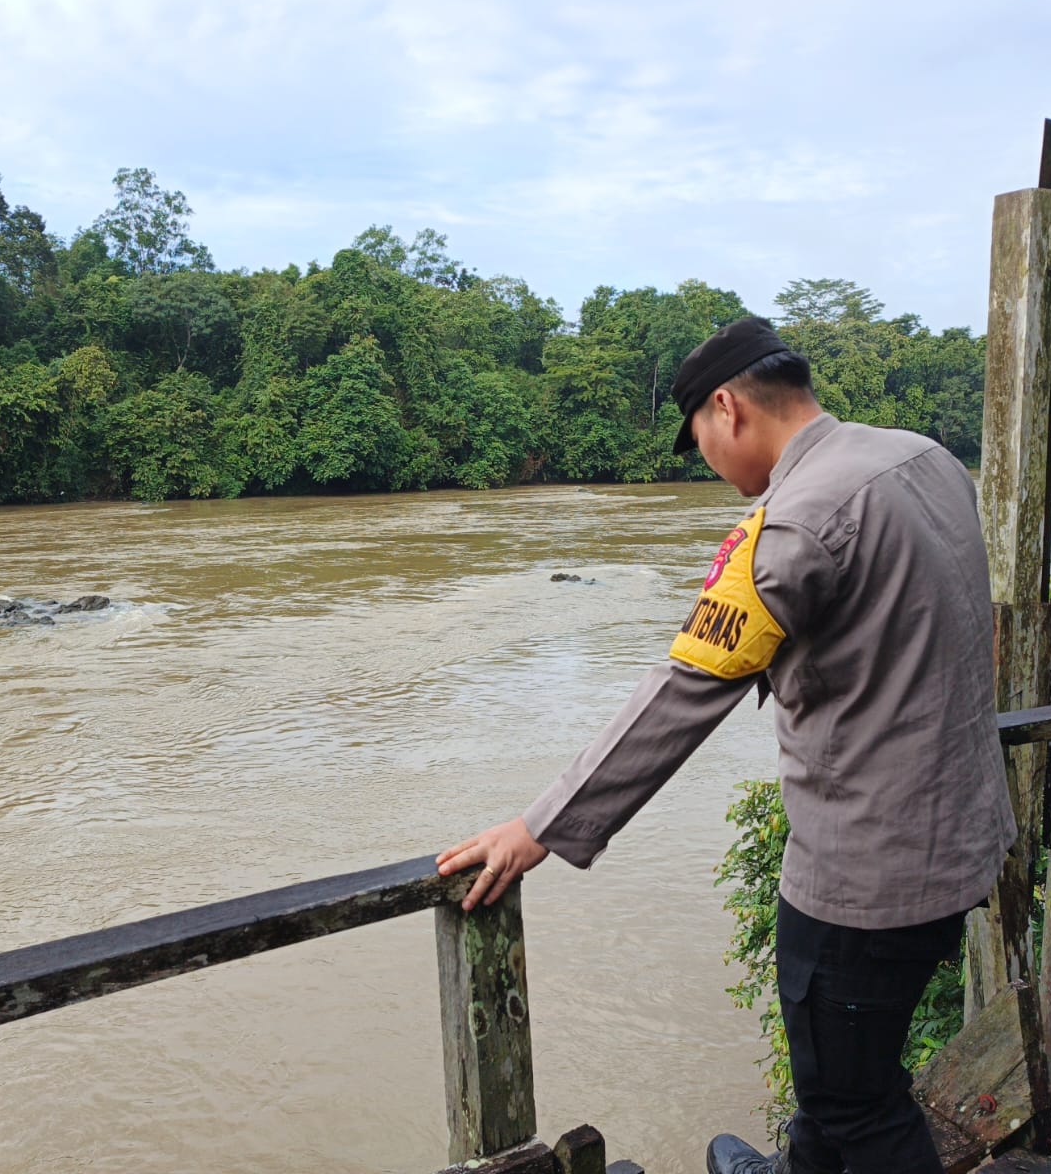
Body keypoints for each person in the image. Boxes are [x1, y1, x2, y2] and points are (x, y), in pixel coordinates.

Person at [436, 317, 1017, 1174]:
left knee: (859, 1110)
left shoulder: (796, 520)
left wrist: (540, 827)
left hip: (862, 884)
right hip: (965, 844)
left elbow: (686, 690)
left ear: (727, 408)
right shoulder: (926, 459)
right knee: (836, 1085)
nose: (705, 459)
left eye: (698, 438)